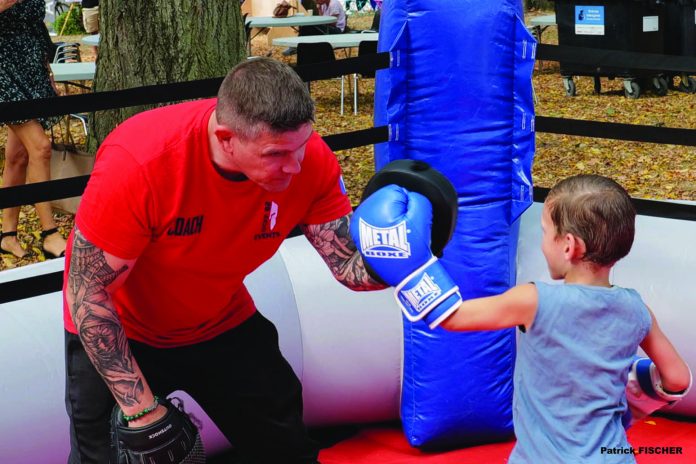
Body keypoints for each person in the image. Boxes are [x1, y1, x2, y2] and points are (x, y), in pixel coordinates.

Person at [63, 57, 384, 464]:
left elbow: (347, 268)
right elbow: (87, 291)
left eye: (301, 146)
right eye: (276, 154)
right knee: (105, 457)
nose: (295, 165)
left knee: (285, 446)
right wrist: (139, 407)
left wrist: (407, 256)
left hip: (218, 319)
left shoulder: (309, 161)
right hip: (123, 328)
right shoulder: (142, 163)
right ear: (226, 137)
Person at [351, 174, 692, 463]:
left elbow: (451, 317)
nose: (543, 243)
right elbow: (676, 378)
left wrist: (407, 264)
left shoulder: (535, 300)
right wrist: (634, 395)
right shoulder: (636, 308)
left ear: (569, 245)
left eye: (545, 232)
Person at [0, 0, 67, 259]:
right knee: (41, 146)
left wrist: (47, 68)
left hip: (30, 67)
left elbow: (35, 25)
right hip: (4, 70)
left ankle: (7, 235)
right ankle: (49, 234)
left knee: (18, 156)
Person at [283, 0, 348, 56]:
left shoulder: (334, 3)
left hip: (337, 30)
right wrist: (319, 8)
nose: (316, 1)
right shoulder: (323, 5)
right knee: (307, 26)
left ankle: (298, 46)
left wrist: (318, 23)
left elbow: (333, 23)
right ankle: (300, 46)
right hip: (328, 28)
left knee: (309, 26)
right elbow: (322, 18)